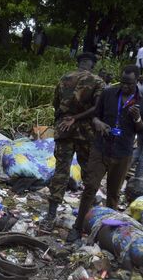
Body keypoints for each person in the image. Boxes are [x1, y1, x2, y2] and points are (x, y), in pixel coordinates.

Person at [67, 65, 143, 243]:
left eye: (129, 83)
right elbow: (95, 115)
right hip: (101, 148)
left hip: (123, 152)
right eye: (123, 82)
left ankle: (106, 234)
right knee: (90, 187)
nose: (125, 86)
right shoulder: (109, 93)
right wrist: (98, 123)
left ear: (138, 80)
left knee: (113, 195)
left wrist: (137, 119)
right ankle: (77, 227)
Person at [40, 52, 105, 231]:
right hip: (86, 133)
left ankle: (51, 213)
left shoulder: (64, 78)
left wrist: (66, 119)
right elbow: (98, 108)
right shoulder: (98, 81)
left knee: (61, 170)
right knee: (88, 171)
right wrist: (78, 118)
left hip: (64, 130)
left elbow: (56, 103)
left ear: (79, 63)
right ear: (92, 65)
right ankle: (87, 212)